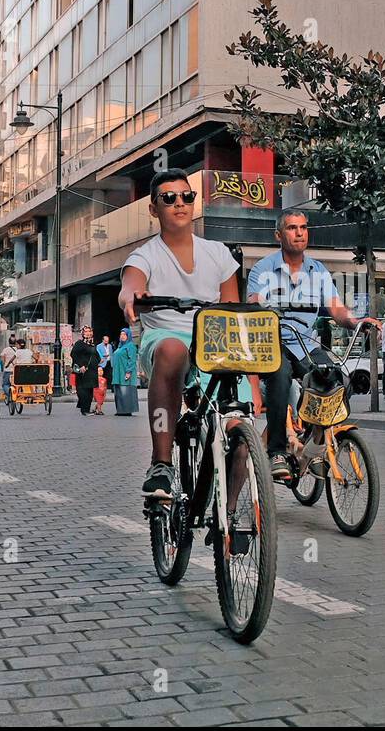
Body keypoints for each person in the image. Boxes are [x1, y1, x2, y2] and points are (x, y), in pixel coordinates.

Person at [119, 168, 252, 507]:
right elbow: (130, 286)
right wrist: (131, 297)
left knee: (242, 435)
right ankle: (162, 463)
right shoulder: (144, 256)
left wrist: (252, 376)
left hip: (214, 341)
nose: (179, 203)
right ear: (154, 209)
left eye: (186, 196)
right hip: (165, 336)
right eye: (169, 198)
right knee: (174, 350)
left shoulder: (219, 254)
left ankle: (231, 517)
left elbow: (232, 314)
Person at [247, 207, 377, 480]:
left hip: (306, 343)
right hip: (274, 342)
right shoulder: (263, 268)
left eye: (303, 228)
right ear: (279, 235)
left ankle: (315, 443)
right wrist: (261, 307)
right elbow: (253, 304)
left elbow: (336, 309)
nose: (299, 233)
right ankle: (277, 452)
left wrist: (356, 321)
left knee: (335, 378)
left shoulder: (318, 271)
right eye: (292, 228)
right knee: (279, 377)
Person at [71, 326, 99, 415]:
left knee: (90, 390)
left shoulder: (92, 344)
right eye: (86, 331)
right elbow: (74, 354)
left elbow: (96, 355)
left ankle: (87, 408)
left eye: (89, 331)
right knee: (83, 390)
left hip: (92, 371)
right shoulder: (79, 343)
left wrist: (99, 361)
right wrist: (80, 365)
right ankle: (84, 409)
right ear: (82, 333)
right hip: (83, 370)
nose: (88, 333)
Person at [111, 327, 139, 416]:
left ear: (128, 336)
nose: (122, 336)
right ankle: (120, 410)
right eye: (121, 334)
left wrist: (128, 372)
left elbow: (132, 360)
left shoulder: (130, 346)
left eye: (124, 334)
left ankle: (127, 410)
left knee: (125, 391)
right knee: (118, 392)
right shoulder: (120, 346)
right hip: (117, 373)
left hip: (125, 372)